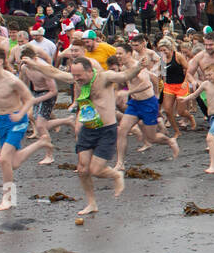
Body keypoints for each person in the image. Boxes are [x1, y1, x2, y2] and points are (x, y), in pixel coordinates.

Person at [23, 54, 143, 215]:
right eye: (74, 75)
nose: (76, 79)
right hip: (88, 128)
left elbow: (125, 75)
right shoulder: (76, 79)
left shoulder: (104, 77)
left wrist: (138, 67)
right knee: (82, 169)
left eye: (79, 75)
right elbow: (53, 72)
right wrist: (33, 63)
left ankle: (115, 175)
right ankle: (91, 203)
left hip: (106, 130)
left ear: (89, 71)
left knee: (96, 170)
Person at [0, 44, 53, 210]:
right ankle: (41, 143)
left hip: (17, 120)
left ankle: (8, 198)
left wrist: (21, 114)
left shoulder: (12, 80)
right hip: (2, 120)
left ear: (0, 61)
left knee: (3, 159)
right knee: (13, 163)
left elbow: (29, 99)